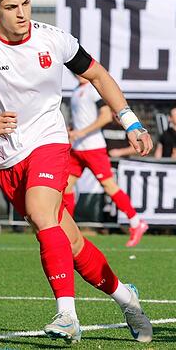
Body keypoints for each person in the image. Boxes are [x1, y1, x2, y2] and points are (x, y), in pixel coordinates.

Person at [0, 0, 153, 344]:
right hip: (5, 156)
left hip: (49, 141)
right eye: (12, 6)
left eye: (26, 3)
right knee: (69, 242)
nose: (23, 13)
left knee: (42, 215)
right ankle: (127, 299)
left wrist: (131, 121)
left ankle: (67, 315)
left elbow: (100, 76)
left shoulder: (54, 39)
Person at [63, 75, 149, 247]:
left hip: (93, 147)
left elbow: (105, 117)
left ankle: (136, 222)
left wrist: (82, 132)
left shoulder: (92, 90)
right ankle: (67, 230)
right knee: (65, 187)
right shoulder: (75, 91)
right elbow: (80, 119)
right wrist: (73, 130)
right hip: (78, 148)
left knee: (109, 186)